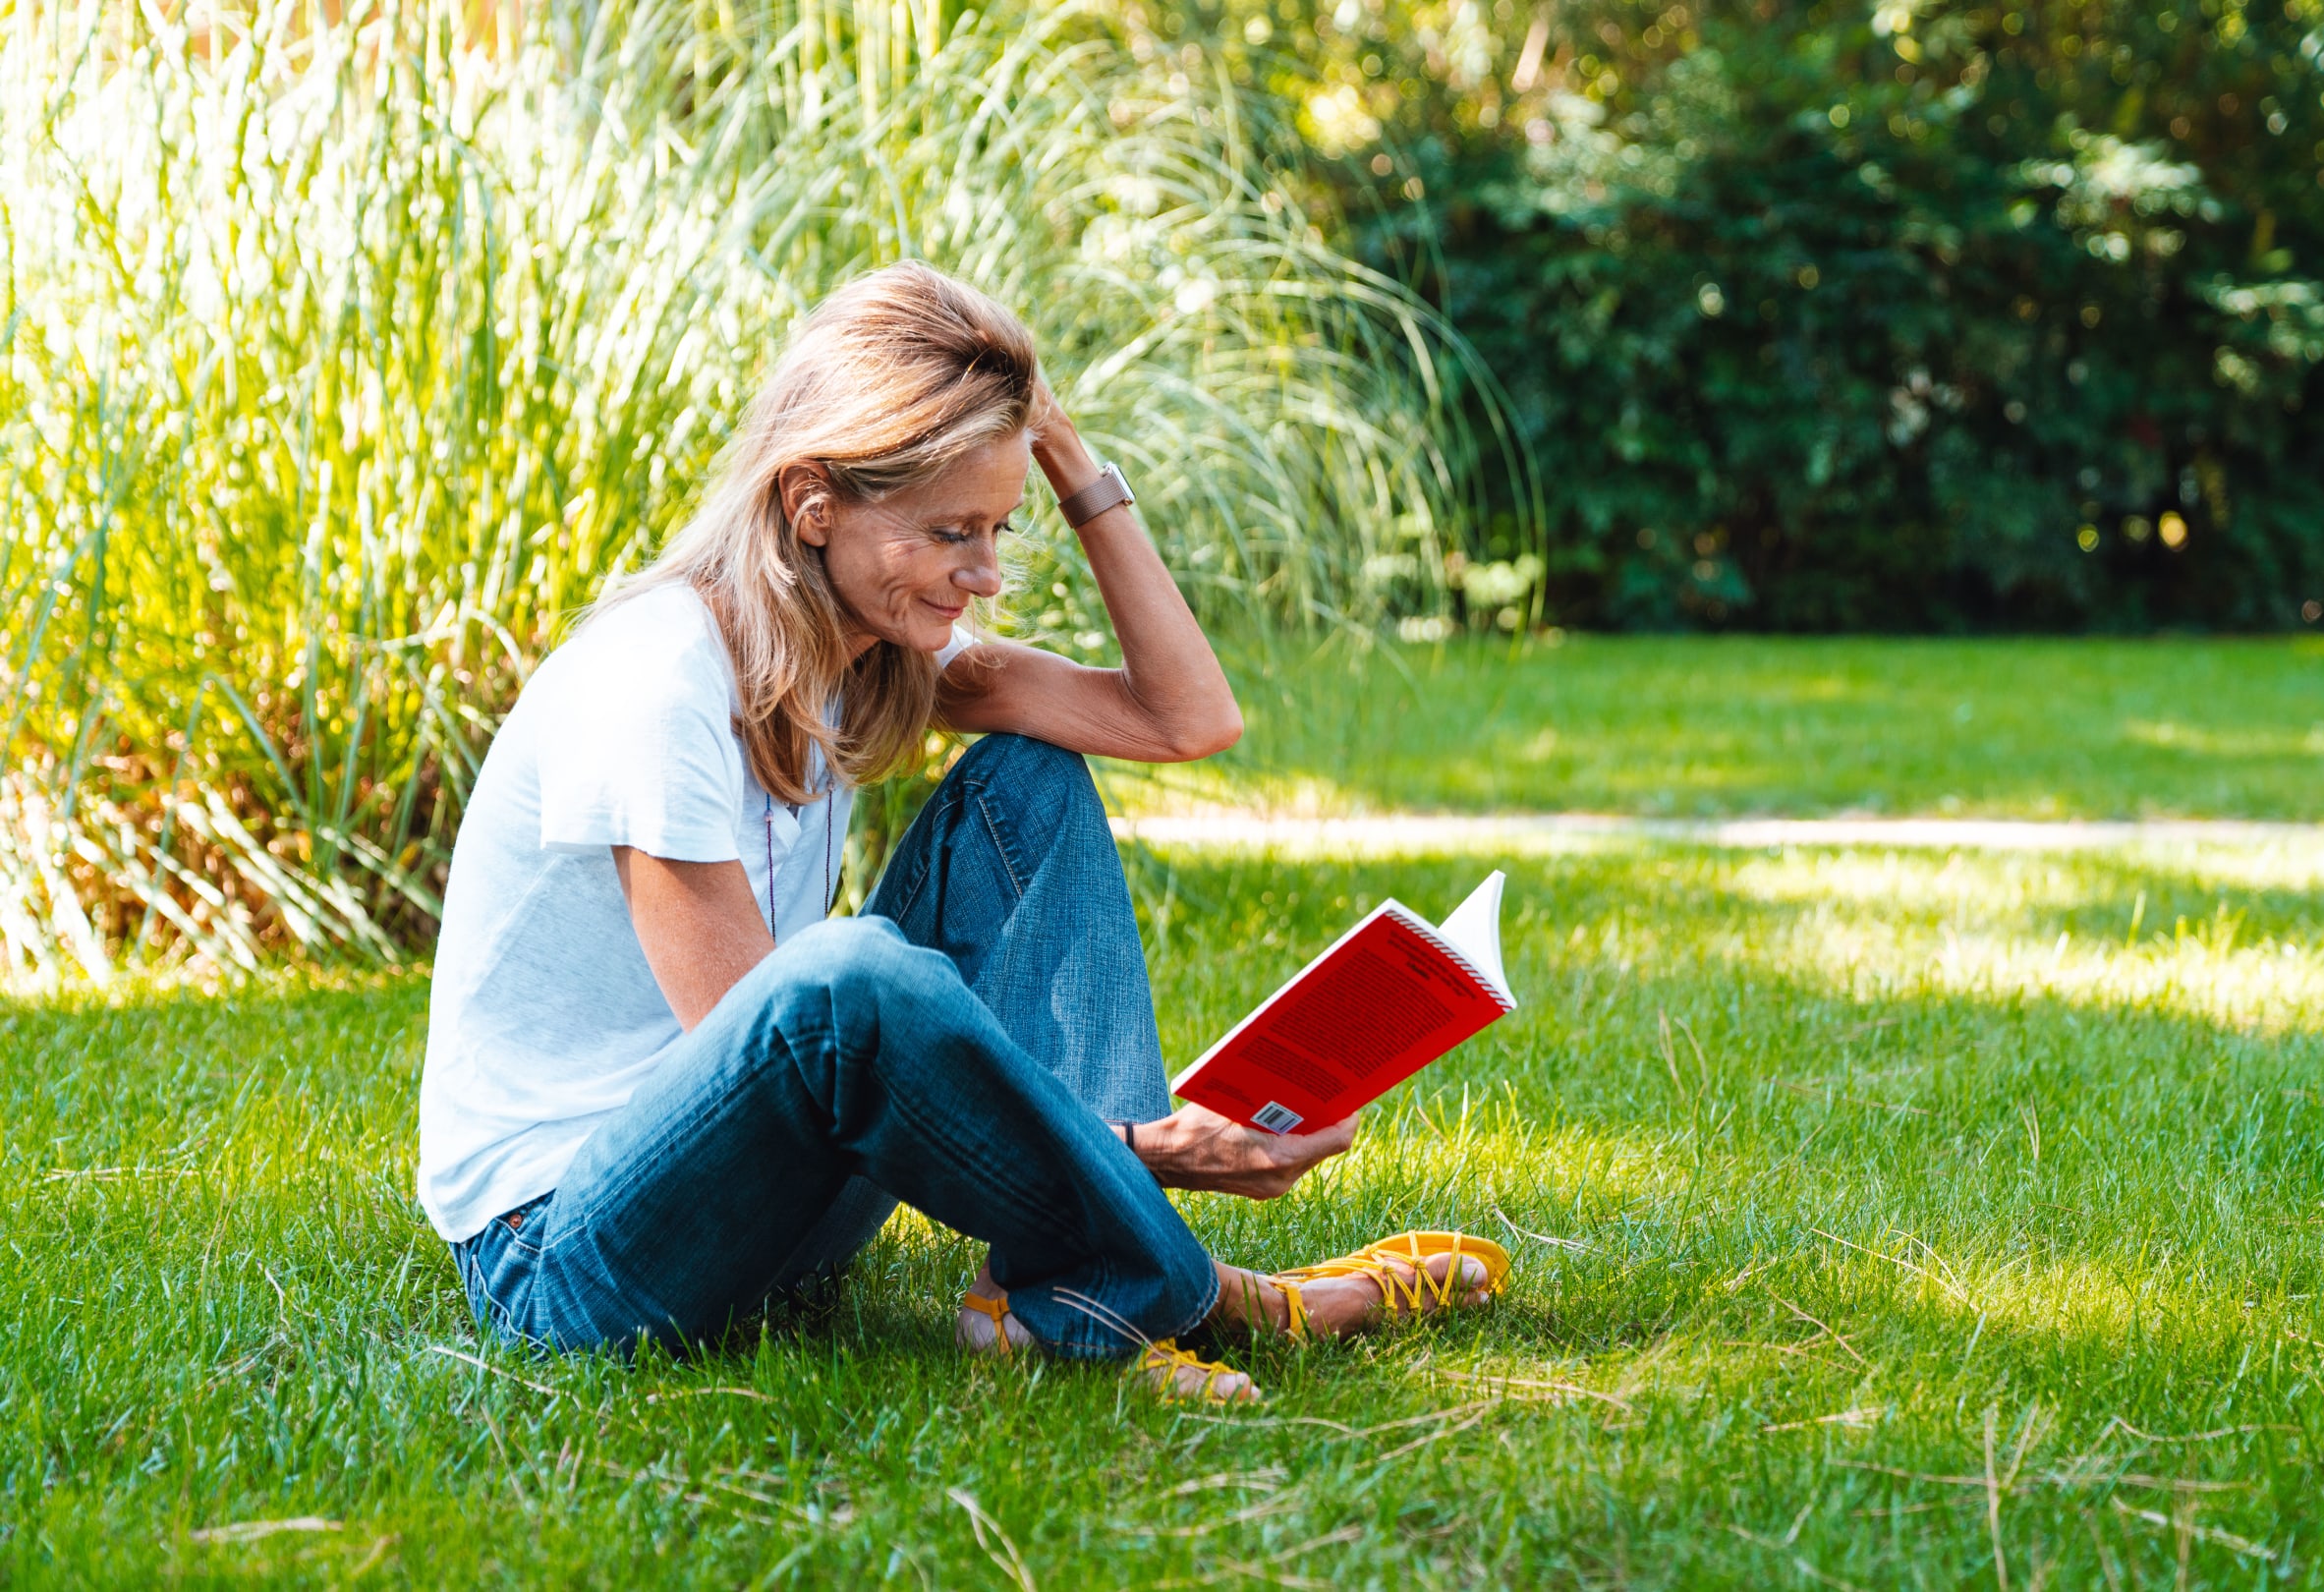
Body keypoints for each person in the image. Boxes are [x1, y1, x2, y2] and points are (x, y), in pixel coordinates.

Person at [414, 261, 1510, 1399]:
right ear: (813, 504)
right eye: (950, 533)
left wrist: (1070, 458)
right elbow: (752, 1053)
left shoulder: (868, 652)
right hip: (568, 1254)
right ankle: (1180, 1294)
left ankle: (1070, 1298)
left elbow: (1184, 719)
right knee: (842, 980)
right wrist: (1141, 1151)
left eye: (997, 527)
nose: (982, 576)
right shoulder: (653, 684)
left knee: (1028, 781)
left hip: (761, 1210)